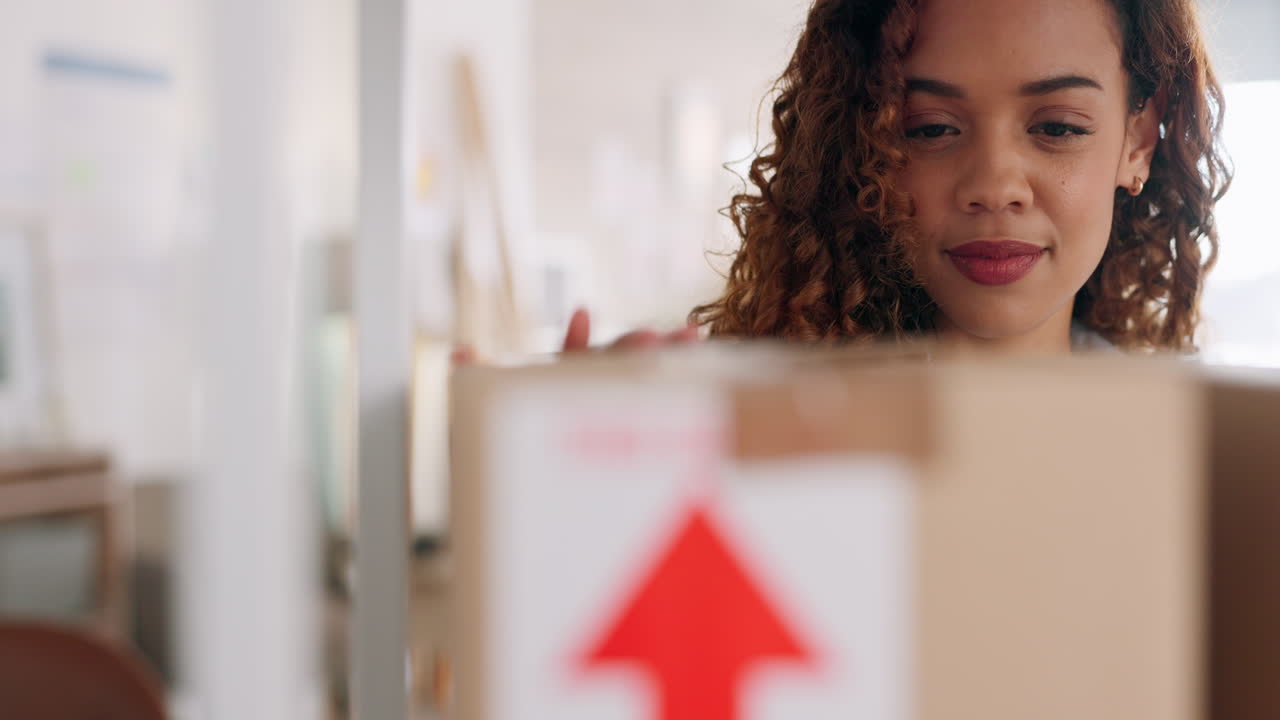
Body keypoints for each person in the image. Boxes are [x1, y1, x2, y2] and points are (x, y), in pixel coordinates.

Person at [563, 0, 1230, 355]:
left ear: (1138, 141)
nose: (995, 185)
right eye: (931, 128)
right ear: (865, 144)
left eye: (1057, 127)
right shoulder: (745, 441)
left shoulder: (1198, 468)